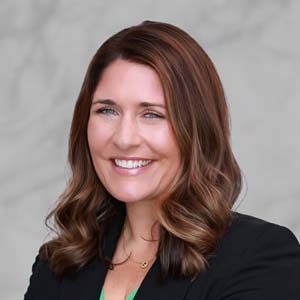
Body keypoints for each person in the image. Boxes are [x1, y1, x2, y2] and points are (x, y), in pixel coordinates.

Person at [24, 20, 300, 300]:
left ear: (196, 130)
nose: (124, 138)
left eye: (152, 114)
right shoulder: (58, 263)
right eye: (107, 110)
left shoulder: (257, 256)